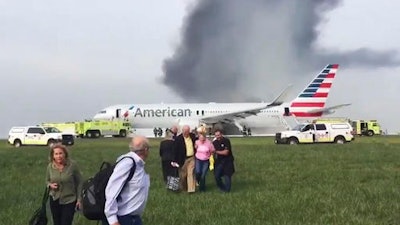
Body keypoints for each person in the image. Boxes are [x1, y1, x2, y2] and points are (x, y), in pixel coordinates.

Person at [103, 136, 150, 225]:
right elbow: (111, 190)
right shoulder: (128, 163)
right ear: (146, 150)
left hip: (133, 218)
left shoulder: (138, 164)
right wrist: (113, 220)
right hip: (122, 218)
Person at [46, 144, 83, 225]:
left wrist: (79, 199)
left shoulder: (72, 165)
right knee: (57, 223)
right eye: (56, 154)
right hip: (54, 199)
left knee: (66, 222)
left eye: (60, 153)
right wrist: (50, 185)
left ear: (65, 154)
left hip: (69, 200)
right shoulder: (50, 167)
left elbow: (79, 182)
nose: (59, 156)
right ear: (53, 156)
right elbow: (47, 181)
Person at [174, 125, 197, 193]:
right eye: (185, 131)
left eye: (188, 131)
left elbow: (198, 141)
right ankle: (184, 188)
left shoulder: (192, 136)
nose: (187, 132)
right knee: (183, 175)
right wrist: (175, 161)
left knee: (191, 173)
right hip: (183, 159)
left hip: (192, 158)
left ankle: (191, 190)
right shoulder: (178, 139)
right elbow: (175, 150)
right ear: (182, 131)